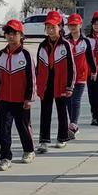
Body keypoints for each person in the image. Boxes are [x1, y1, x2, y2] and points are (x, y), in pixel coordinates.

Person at [0, 20, 36, 171]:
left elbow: (32, 78)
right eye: (8, 33)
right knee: (4, 129)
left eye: (14, 33)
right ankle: (5, 157)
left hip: (21, 100)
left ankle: (29, 150)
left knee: (23, 126)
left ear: (21, 35)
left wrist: (29, 98)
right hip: (4, 99)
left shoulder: (26, 54)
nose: (11, 36)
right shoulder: (0, 55)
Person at [36, 11, 75, 153]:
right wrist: (37, 85)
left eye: (53, 27)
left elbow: (71, 67)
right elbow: (38, 67)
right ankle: (43, 141)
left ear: (60, 27)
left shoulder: (66, 45)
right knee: (45, 112)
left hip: (61, 83)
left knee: (61, 111)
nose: (51, 30)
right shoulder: (42, 46)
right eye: (48, 27)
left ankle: (62, 137)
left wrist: (70, 85)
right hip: (46, 83)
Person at [65, 14, 97, 139]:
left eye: (75, 24)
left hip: (81, 76)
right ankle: (71, 124)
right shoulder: (65, 40)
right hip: (67, 76)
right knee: (68, 101)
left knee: (75, 100)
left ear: (80, 25)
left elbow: (90, 57)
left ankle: (73, 124)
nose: (73, 27)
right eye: (70, 25)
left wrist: (93, 71)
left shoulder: (86, 41)